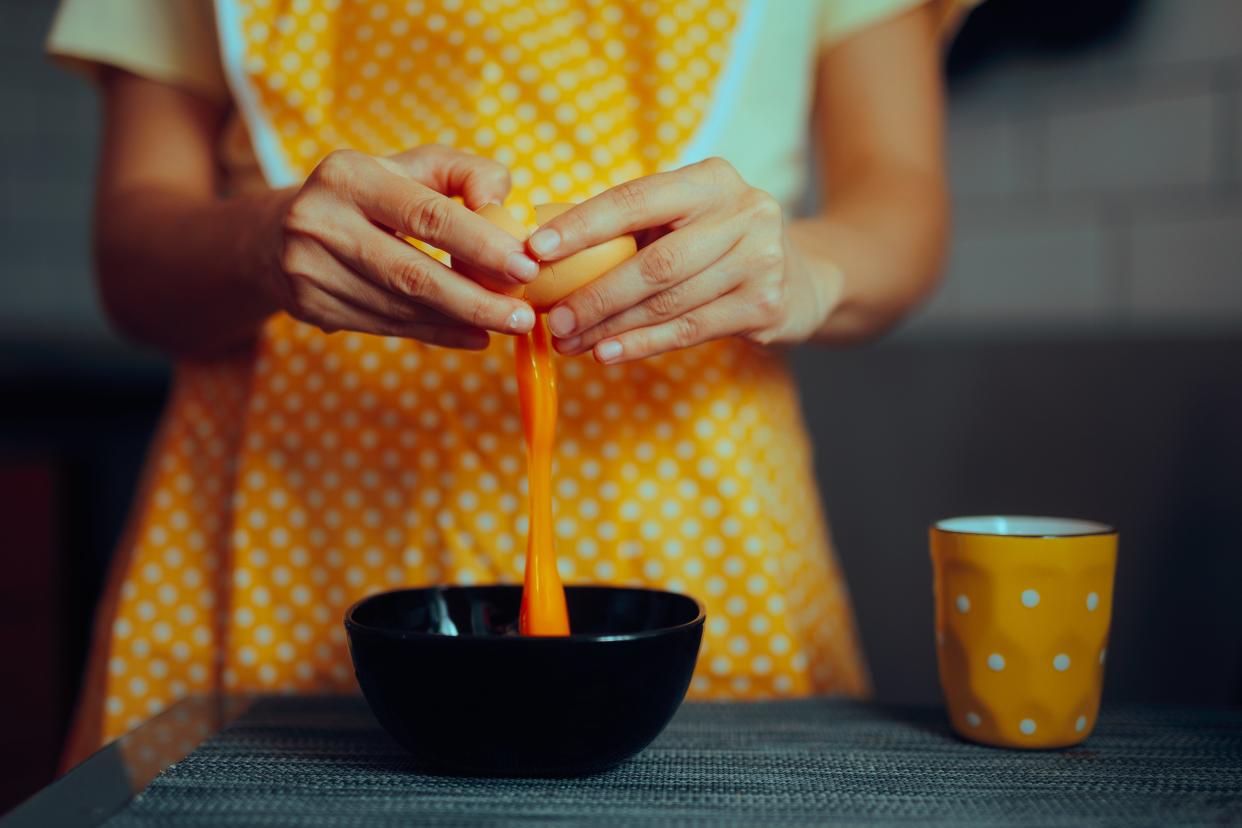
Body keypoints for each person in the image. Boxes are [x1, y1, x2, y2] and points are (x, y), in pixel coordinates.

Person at [48, 0, 971, 766]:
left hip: (693, 527)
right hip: (275, 528)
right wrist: (260, 242)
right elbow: (132, 262)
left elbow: (900, 198)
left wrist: (802, 269)